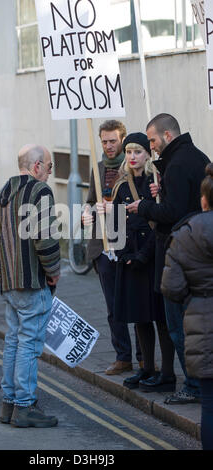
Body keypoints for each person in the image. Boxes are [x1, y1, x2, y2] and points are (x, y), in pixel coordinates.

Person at [127, 113, 210, 404]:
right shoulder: (196, 156)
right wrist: (160, 193)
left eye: (152, 140)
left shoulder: (175, 165)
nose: (152, 146)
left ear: (168, 136)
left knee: (178, 325)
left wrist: (145, 206)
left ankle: (194, 385)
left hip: (180, 256)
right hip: (199, 257)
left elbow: (173, 213)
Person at [0, 144, 60, 428]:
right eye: (50, 167)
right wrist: (54, 271)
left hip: (10, 282)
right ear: (36, 166)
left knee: (12, 342)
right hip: (32, 283)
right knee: (29, 345)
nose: (49, 173)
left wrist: (4, 274)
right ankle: (25, 406)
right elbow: (45, 239)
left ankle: (9, 404)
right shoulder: (39, 191)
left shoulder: (2, 194)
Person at [110, 133, 175, 391]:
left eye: (137, 151)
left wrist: (143, 255)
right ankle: (146, 367)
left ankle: (167, 372)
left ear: (147, 154)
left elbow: (160, 221)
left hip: (152, 255)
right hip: (130, 257)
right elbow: (115, 222)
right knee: (139, 317)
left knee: (160, 317)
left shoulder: (156, 181)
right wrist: (122, 252)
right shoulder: (121, 185)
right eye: (128, 152)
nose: (132, 157)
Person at [82, 120, 142, 376]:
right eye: (104, 141)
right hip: (102, 246)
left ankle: (144, 358)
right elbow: (90, 201)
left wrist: (114, 209)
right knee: (113, 306)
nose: (108, 146)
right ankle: (123, 357)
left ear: (123, 140)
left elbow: (140, 203)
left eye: (113, 141)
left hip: (128, 244)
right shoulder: (96, 168)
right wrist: (86, 214)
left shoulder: (132, 166)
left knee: (138, 304)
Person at [161, 163, 213, 450]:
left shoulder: (185, 234)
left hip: (202, 329)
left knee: (210, 407)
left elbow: (171, 288)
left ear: (203, 200)